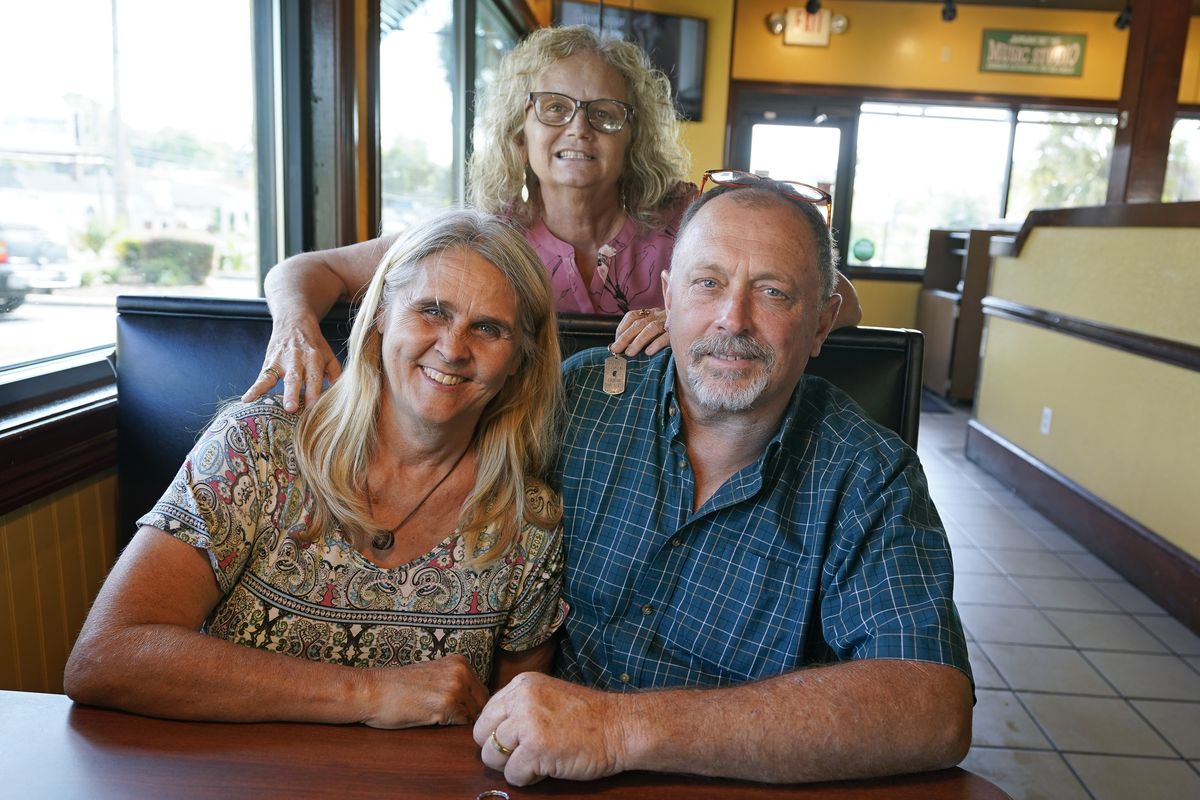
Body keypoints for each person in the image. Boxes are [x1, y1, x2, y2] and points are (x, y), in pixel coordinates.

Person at [471, 172, 973, 786]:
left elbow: (933, 708)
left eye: (773, 292)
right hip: (544, 773)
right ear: (668, 296)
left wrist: (618, 729)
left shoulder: (868, 474)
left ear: (822, 323)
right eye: (707, 283)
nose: (732, 320)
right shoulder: (583, 397)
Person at [64, 209, 569, 728]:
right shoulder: (257, 449)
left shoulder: (528, 522)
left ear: (520, 359)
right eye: (433, 311)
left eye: (488, 328)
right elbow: (105, 656)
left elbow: (511, 736)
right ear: (381, 315)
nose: (453, 349)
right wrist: (371, 693)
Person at [249, 24, 862, 413]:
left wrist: (692, 318)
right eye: (553, 107)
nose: (579, 128)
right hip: (517, 452)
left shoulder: (693, 218)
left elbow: (842, 301)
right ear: (519, 130)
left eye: (604, 113)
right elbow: (307, 270)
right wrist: (295, 325)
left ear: (634, 135)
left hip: (663, 459)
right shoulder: (483, 235)